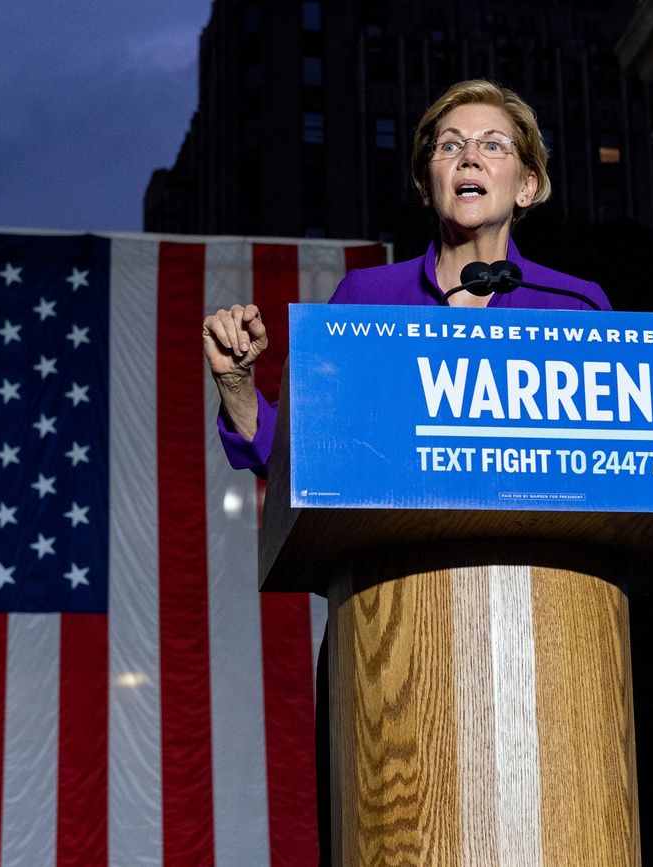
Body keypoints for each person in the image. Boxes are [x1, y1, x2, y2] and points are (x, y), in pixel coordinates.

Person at [201, 79, 611, 863]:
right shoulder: (366, 299)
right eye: (449, 145)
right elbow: (301, 462)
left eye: (493, 144)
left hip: (545, 624)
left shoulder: (576, 307)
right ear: (427, 178)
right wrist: (238, 386)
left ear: (526, 185)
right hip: (390, 629)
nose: (468, 156)